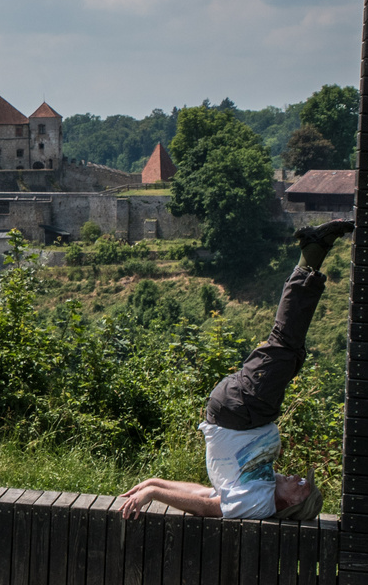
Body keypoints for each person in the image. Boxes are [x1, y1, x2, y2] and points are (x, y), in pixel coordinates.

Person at [119, 218, 354, 522]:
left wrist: (153, 495)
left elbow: (210, 507)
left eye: (303, 488)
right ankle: (311, 254)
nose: (300, 478)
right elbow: (206, 493)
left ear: (290, 506)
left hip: (242, 410)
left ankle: (313, 250)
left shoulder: (258, 504)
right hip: (246, 411)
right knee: (292, 355)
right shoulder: (259, 488)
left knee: (284, 345)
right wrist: (154, 483)